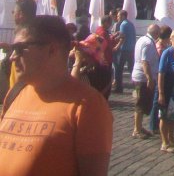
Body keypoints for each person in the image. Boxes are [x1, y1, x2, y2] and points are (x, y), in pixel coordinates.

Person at [0, 14, 112, 175]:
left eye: (20, 48)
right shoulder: (15, 92)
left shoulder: (88, 105)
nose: (12, 57)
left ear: (51, 49)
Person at [130, 23, 161, 139]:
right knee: (140, 103)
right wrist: (149, 78)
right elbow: (145, 62)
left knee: (143, 103)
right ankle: (136, 129)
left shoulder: (143, 39)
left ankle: (139, 126)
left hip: (141, 76)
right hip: (142, 78)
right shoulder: (148, 43)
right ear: (156, 33)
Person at [113, 9, 136, 93]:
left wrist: (116, 45)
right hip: (131, 49)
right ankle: (136, 85)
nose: (117, 17)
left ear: (123, 16)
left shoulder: (123, 24)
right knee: (131, 68)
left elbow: (122, 37)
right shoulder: (130, 24)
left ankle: (119, 88)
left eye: (118, 16)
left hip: (123, 49)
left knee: (119, 69)